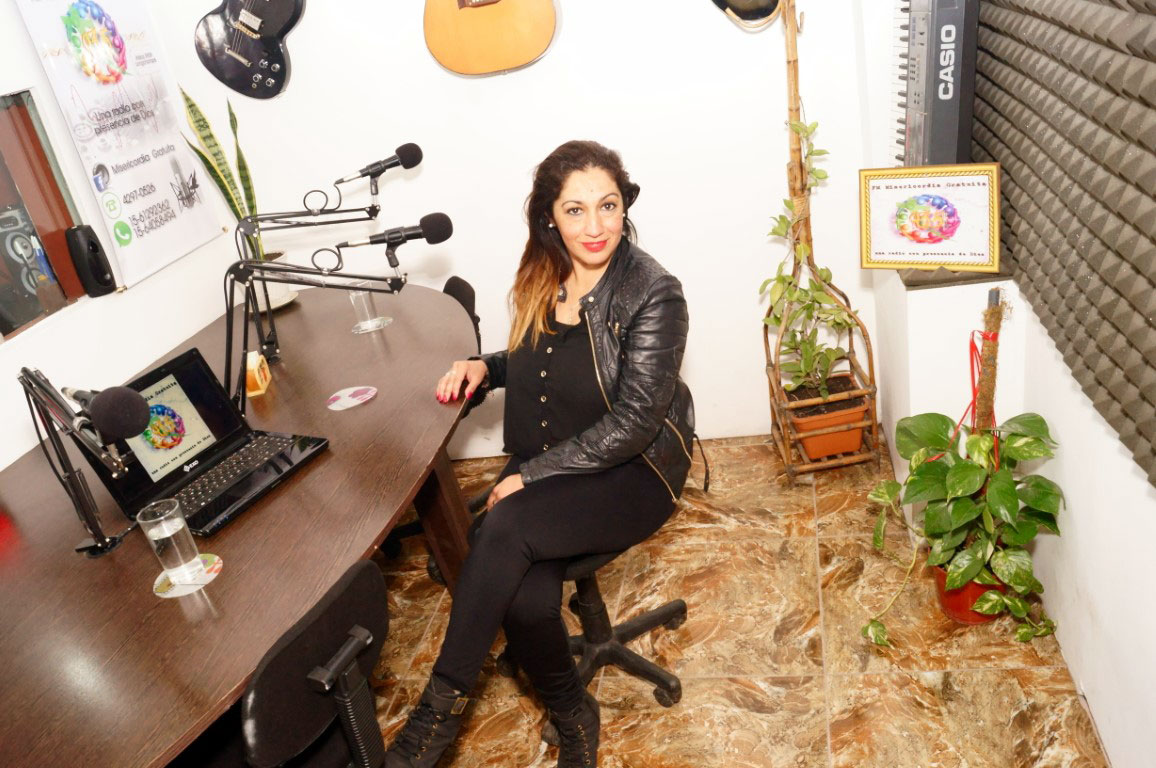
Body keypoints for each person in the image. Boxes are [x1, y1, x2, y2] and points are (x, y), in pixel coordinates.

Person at [385, 140, 696, 768]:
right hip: (550, 455)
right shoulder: (543, 274)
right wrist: (487, 367)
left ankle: (435, 717)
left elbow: (635, 421)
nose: (595, 225)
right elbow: (541, 360)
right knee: (525, 600)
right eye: (575, 210)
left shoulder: (654, 292)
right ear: (550, 217)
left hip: (630, 469)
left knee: (500, 527)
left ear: (624, 206)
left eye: (608, 205)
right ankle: (574, 714)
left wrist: (529, 475)